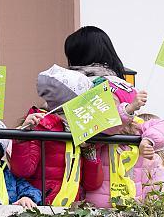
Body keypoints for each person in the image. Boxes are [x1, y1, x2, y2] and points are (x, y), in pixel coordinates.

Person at [10, 64, 103, 206]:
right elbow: (23, 170)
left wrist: (89, 150)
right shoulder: (40, 125)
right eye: (84, 99)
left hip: (71, 210)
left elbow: (92, 184)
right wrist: (24, 136)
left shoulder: (83, 127)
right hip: (41, 207)